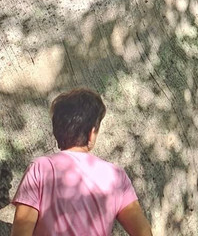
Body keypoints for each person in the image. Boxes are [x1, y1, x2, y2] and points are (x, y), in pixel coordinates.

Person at [10, 88, 153, 236]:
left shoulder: (40, 169)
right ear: (91, 133)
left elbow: (21, 233)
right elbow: (143, 232)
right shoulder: (116, 176)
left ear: (57, 132)